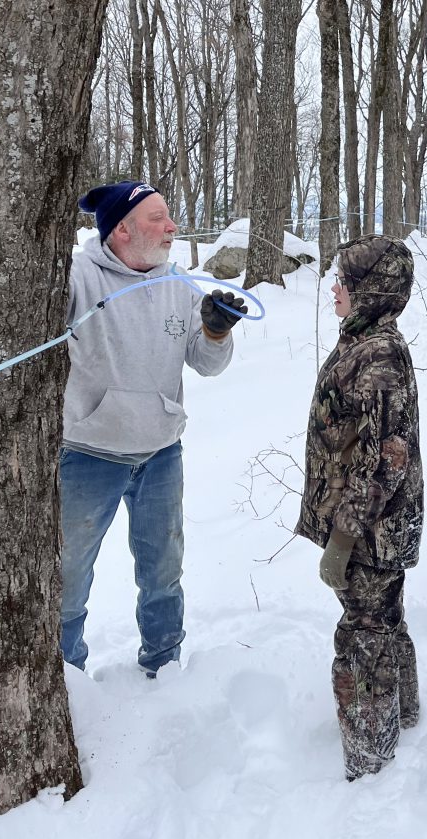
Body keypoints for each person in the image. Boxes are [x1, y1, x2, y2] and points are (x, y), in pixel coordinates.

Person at [60, 181, 245, 677]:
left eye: (170, 216)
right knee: (68, 574)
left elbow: (206, 364)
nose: (172, 227)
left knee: (163, 572)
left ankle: (163, 667)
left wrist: (215, 331)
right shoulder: (77, 277)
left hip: (160, 453)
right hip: (87, 452)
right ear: (120, 228)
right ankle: (65, 674)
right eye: (157, 218)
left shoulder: (178, 284)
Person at [297, 235, 423, 781]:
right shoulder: (366, 340)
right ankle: (405, 715)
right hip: (374, 524)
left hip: (371, 529)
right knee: (383, 616)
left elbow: (380, 462)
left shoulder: (378, 356)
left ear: (372, 291)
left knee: (364, 631)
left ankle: (370, 757)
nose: (334, 290)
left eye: (344, 281)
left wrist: (342, 540)